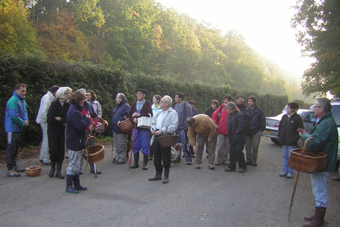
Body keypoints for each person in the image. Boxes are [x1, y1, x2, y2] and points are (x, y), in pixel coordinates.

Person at [298, 98, 338, 227]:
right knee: (318, 189)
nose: (313, 109)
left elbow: (315, 144)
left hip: (321, 162)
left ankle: (319, 220)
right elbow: (318, 138)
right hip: (320, 161)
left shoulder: (326, 123)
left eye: (315, 107)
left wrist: (304, 136)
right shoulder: (325, 121)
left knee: (320, 190)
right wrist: (307, 134)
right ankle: (317, 215)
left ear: (322, 109)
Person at [149, 95, 178, 184]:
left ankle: (166, 175)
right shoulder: (159, 112)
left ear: (167, 104)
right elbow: (153, 122)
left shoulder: (173, 113)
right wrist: (153, 129)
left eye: (161, 101)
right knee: (156, 155)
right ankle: (158, 174)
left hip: (165, 136)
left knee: (165, 156)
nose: (160, 103)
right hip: (156, 135)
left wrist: (163, 130)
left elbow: (174, 126)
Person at [65, 90, 90, 194]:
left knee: (77, 164)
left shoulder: (74, 110)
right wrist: (87, 120)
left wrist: (83, 118)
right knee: (74, 164)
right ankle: (69, 186)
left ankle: (77, 184)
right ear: (79, 100)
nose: (85, 101)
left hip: (75, 140)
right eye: (84, 99)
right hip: (75, 141)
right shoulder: (74, 112)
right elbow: (81, 126)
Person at [47, 87, 72, 179]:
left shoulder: (68, 105)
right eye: (67, 93)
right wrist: (62, 122)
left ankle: (59, 170)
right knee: (53, 149)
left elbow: (69, 118)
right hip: (53, 130)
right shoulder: (54, 104)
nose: (69, 95)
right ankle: (52, 167)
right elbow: (50, 118)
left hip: (62, 131)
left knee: (61, 149)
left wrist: (61, 119)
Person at [5, 83, 29, 177]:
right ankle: (10, 169)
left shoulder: (22, 100)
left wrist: (26, 119)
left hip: (18, 128)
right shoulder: (13, 100)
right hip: (12, 128)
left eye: (25, 90)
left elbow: (24, 111)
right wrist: (22, 123)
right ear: (16, 90)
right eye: (22, 91)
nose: (24, 93)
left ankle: (15, 166)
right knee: (11, 148)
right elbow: (13, 115)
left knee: (16, 148)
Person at [277, 102, 303, 179]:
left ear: (293, 109)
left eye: (288, 108)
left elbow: (300, 129)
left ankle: (290, 172)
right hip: (284, 140)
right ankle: (284, 171)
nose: (286, 109)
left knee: (291, 157)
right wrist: (280, 136)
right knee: (285, 156)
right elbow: (280, 127)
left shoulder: (297, 118)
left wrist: (296, 139)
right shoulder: (284, 117)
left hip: (292, 142)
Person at [129, 88, 153, 170]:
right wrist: (133, 119)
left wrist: (140, 115)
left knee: (145, 144)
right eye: (137, 93)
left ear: (144, 95)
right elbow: (130, 115)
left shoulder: (147, 104)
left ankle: (145, 164)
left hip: (144, 128)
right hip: (135, 128)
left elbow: (150, 114)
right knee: (135, 144)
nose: (138, 95)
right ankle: (136, 163)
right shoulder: (134, 104)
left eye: (139, 93)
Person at [78, 88, 100, 174]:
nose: (86, 97)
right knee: (79, 150)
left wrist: (93, 125)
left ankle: (93, 168)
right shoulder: (76, 107)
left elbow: (95, 117)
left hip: (89, 131)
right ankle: (78, 169)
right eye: (84, 96)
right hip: (80, 131)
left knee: (91, 149)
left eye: (86, 95)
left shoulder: (89, 106)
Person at [36, 85, 59, 165]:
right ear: (55, 92)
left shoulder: (49, 97)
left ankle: (42, 156)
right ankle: (46, 158)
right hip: (45, 121)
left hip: (44, 120)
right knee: (47, 139)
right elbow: (44, 111)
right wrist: (49, 120)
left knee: (45, 138)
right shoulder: (47, 98)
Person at [224, 102, 247, 173]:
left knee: (238, 151)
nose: (226, 111)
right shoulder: (230, 115)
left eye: (227, 109)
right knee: (232, 151)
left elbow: (242, 125)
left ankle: (242, 166)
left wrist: (236, 132)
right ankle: (232, 166)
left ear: (231, 109)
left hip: (239, 137)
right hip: (232, 136)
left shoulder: (239, 115)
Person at [243, 95, 265, 166]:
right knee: (247, 146)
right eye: (249, 101)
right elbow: (242, 120)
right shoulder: (246, 110)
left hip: (256, 131)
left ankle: (254, 159)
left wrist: (261, 129)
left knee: (255, 146)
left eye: (251, 101)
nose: (249, 103)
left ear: (254, 102)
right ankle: (248, 159)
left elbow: (262, 120)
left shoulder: (259, 110)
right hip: (247, 131)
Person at [212, 94, 232, 165]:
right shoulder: (221, 107)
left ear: (230, 100)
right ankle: (218, 159)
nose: (225, 101)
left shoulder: (232, 108)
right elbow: (214, 115)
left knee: (227, 146)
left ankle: (225, 159)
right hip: (221, 129)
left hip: (229, 130)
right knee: (220, 146)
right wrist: (215, 124)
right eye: (225, 100)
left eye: (227, 100)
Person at [174, 92, 192, 164]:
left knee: (184, 144)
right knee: (177, 145)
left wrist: (186, 127)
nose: (175, 99)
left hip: (183, 129)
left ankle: (188, 158)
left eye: (176, 97)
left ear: (180, 98)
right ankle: (177, 158)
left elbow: (189, 116)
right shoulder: (176, 106)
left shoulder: (186, 105)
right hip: (177, 128)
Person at [112, 93, 130, 164]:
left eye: (117, 98)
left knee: (121, 144)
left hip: (121, 129)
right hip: (115, 128)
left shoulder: (126, 106)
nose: (116, 99)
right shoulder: (118, 106)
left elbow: (127, 116)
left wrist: (121, 120)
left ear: (121, 99)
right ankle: (118, 157)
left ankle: (122, 158)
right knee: (117, 144)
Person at [149, 94, 162, 160]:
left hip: (159, 126)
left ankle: (158, 154)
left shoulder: (161, 108)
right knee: (151, 140)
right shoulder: (151, 107)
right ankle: (150, 154)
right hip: (152, 125)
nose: (153, 100)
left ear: (158, 100)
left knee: (158, 140)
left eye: (154, 99)